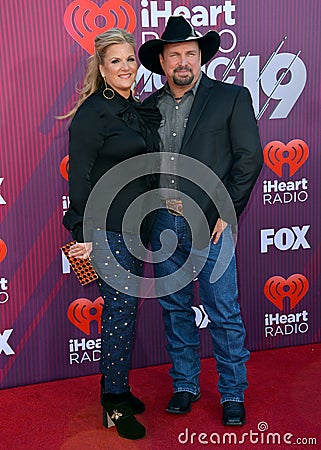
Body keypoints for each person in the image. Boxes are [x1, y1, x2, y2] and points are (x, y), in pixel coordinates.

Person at [139, 16, 263, 426]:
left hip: (212, 224)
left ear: (200, 58)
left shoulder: (231, 97)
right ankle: (186, 385)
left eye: (190, 53)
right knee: (175, 308)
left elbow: (249, 159)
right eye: (174, 53)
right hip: (163, 224)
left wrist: (227, 210)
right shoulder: (147, 108)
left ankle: (232, 392)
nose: (183, 61)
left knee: (223, 310)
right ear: (162, 60)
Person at [62, 28, 160, 440]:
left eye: (130, 60)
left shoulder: (131, 109)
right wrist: (85, 234)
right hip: (105, 229)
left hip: (133, 228)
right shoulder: (92, 114)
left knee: (125, 312)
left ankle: (114, 387)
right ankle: (115, 403)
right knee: (120, 314)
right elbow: (80, 179)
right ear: (101, 69)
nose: (125, 67)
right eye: (116, 60)